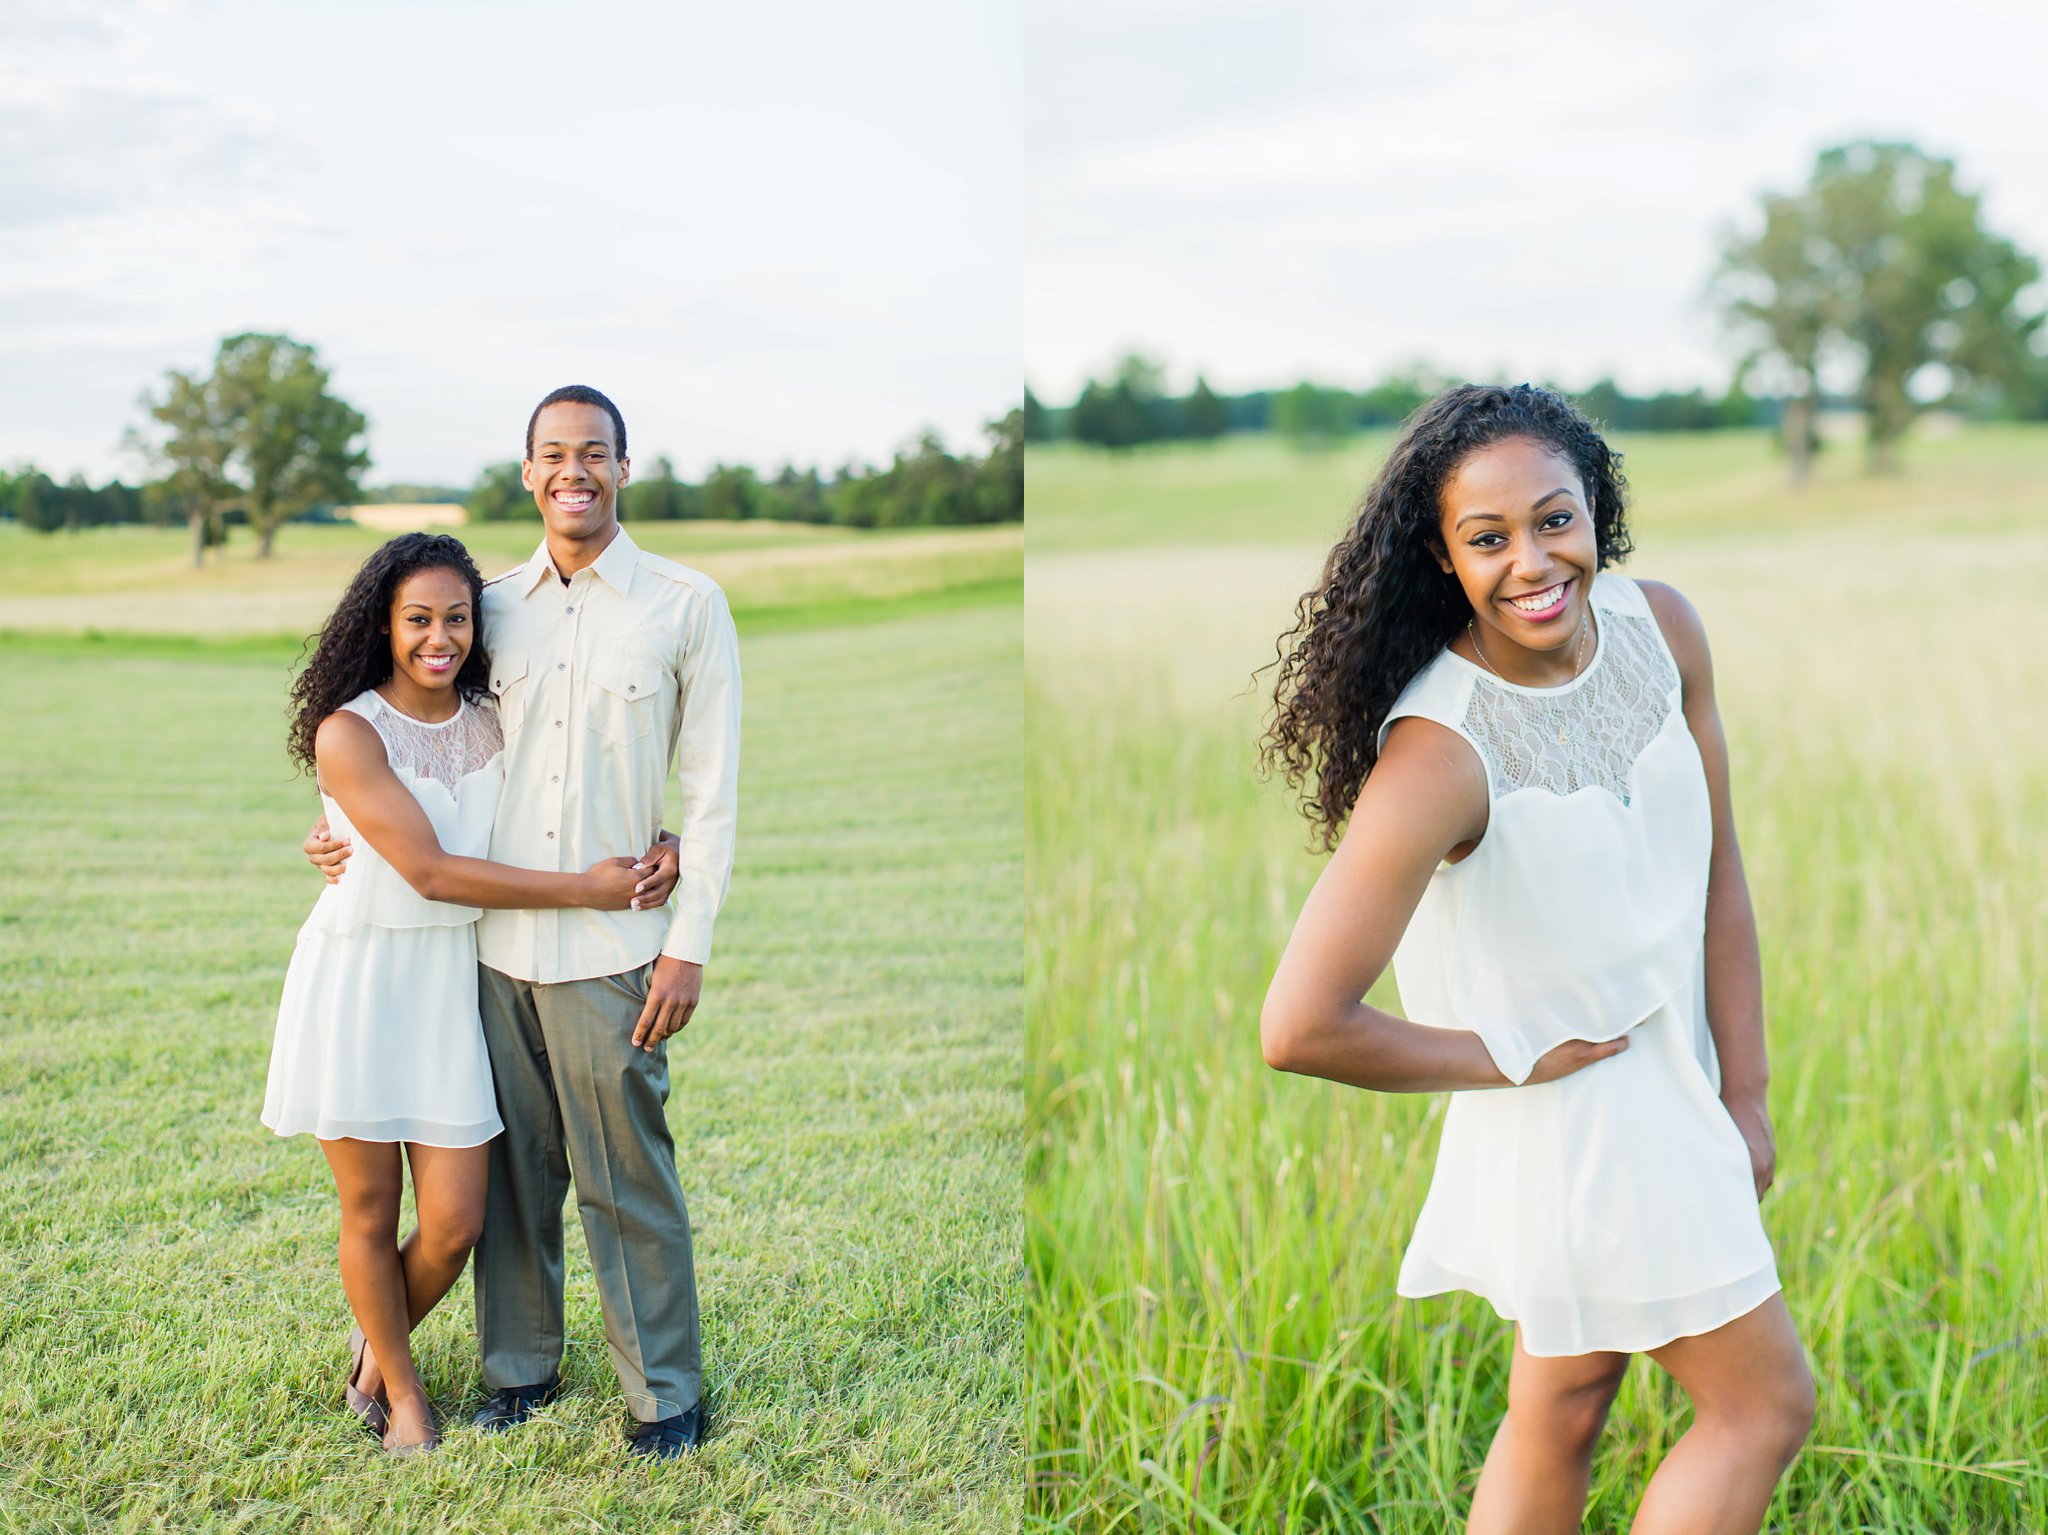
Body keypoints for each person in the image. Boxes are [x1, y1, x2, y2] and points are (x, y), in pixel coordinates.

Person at [1257, 384, 1814, 1534]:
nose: (1530, 561)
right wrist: (1513, 1056)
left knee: (1560, 1400)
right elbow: (1299, 1022)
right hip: (1587, 1129)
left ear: (1594, 508)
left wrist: (1744, 1091)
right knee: (1762, 1407)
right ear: (1442, 555)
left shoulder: (1659, 628)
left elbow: (1718, 877)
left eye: (1552, 518)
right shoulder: (1438, 751)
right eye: (1486, 537)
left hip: (1663, 1095)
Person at [306, 385, 742, 1461]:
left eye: (593, 453)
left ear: (623, 469)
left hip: (614, 950)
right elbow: (387, 723)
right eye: (553, 454)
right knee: (506, 1185)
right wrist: (329, 834)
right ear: (527, 470)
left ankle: (664, 1396)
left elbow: (713, 791)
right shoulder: (488, 605)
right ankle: (517, 1370)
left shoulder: (686, 604)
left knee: (627, 1181)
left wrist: (687, 937)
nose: (573, 472)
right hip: (485, 956)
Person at [267, 532, 662, 1454]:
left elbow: (575, 784)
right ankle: (403, 1397)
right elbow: (433, 872)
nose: (438, 637)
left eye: (456, 618)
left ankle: (370, 1355)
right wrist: (587, 889)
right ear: (383, 625)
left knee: (453, 1221)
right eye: (418, 620)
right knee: (369, 1209)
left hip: (452, 984)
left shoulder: (494, 714)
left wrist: (664, 839)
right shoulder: (348, 730)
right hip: (362, 977)